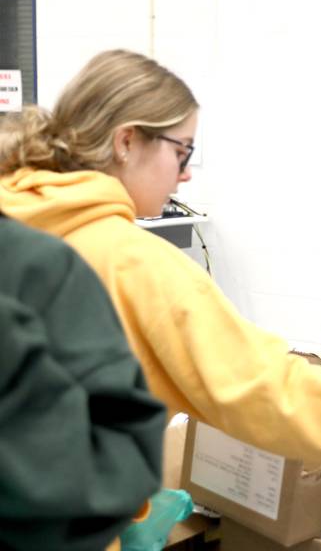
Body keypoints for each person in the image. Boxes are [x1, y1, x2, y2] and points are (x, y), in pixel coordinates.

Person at [0, 49, 321, 468]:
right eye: (181, 152)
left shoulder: (18, 220)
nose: (185, 175)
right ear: (127, 141)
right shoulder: (133, 263)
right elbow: (286, 400)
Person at [0, 212, 166, 551]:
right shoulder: (42, 263)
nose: (185, 176)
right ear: (125, 153)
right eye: (179, 156)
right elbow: (112, 474)